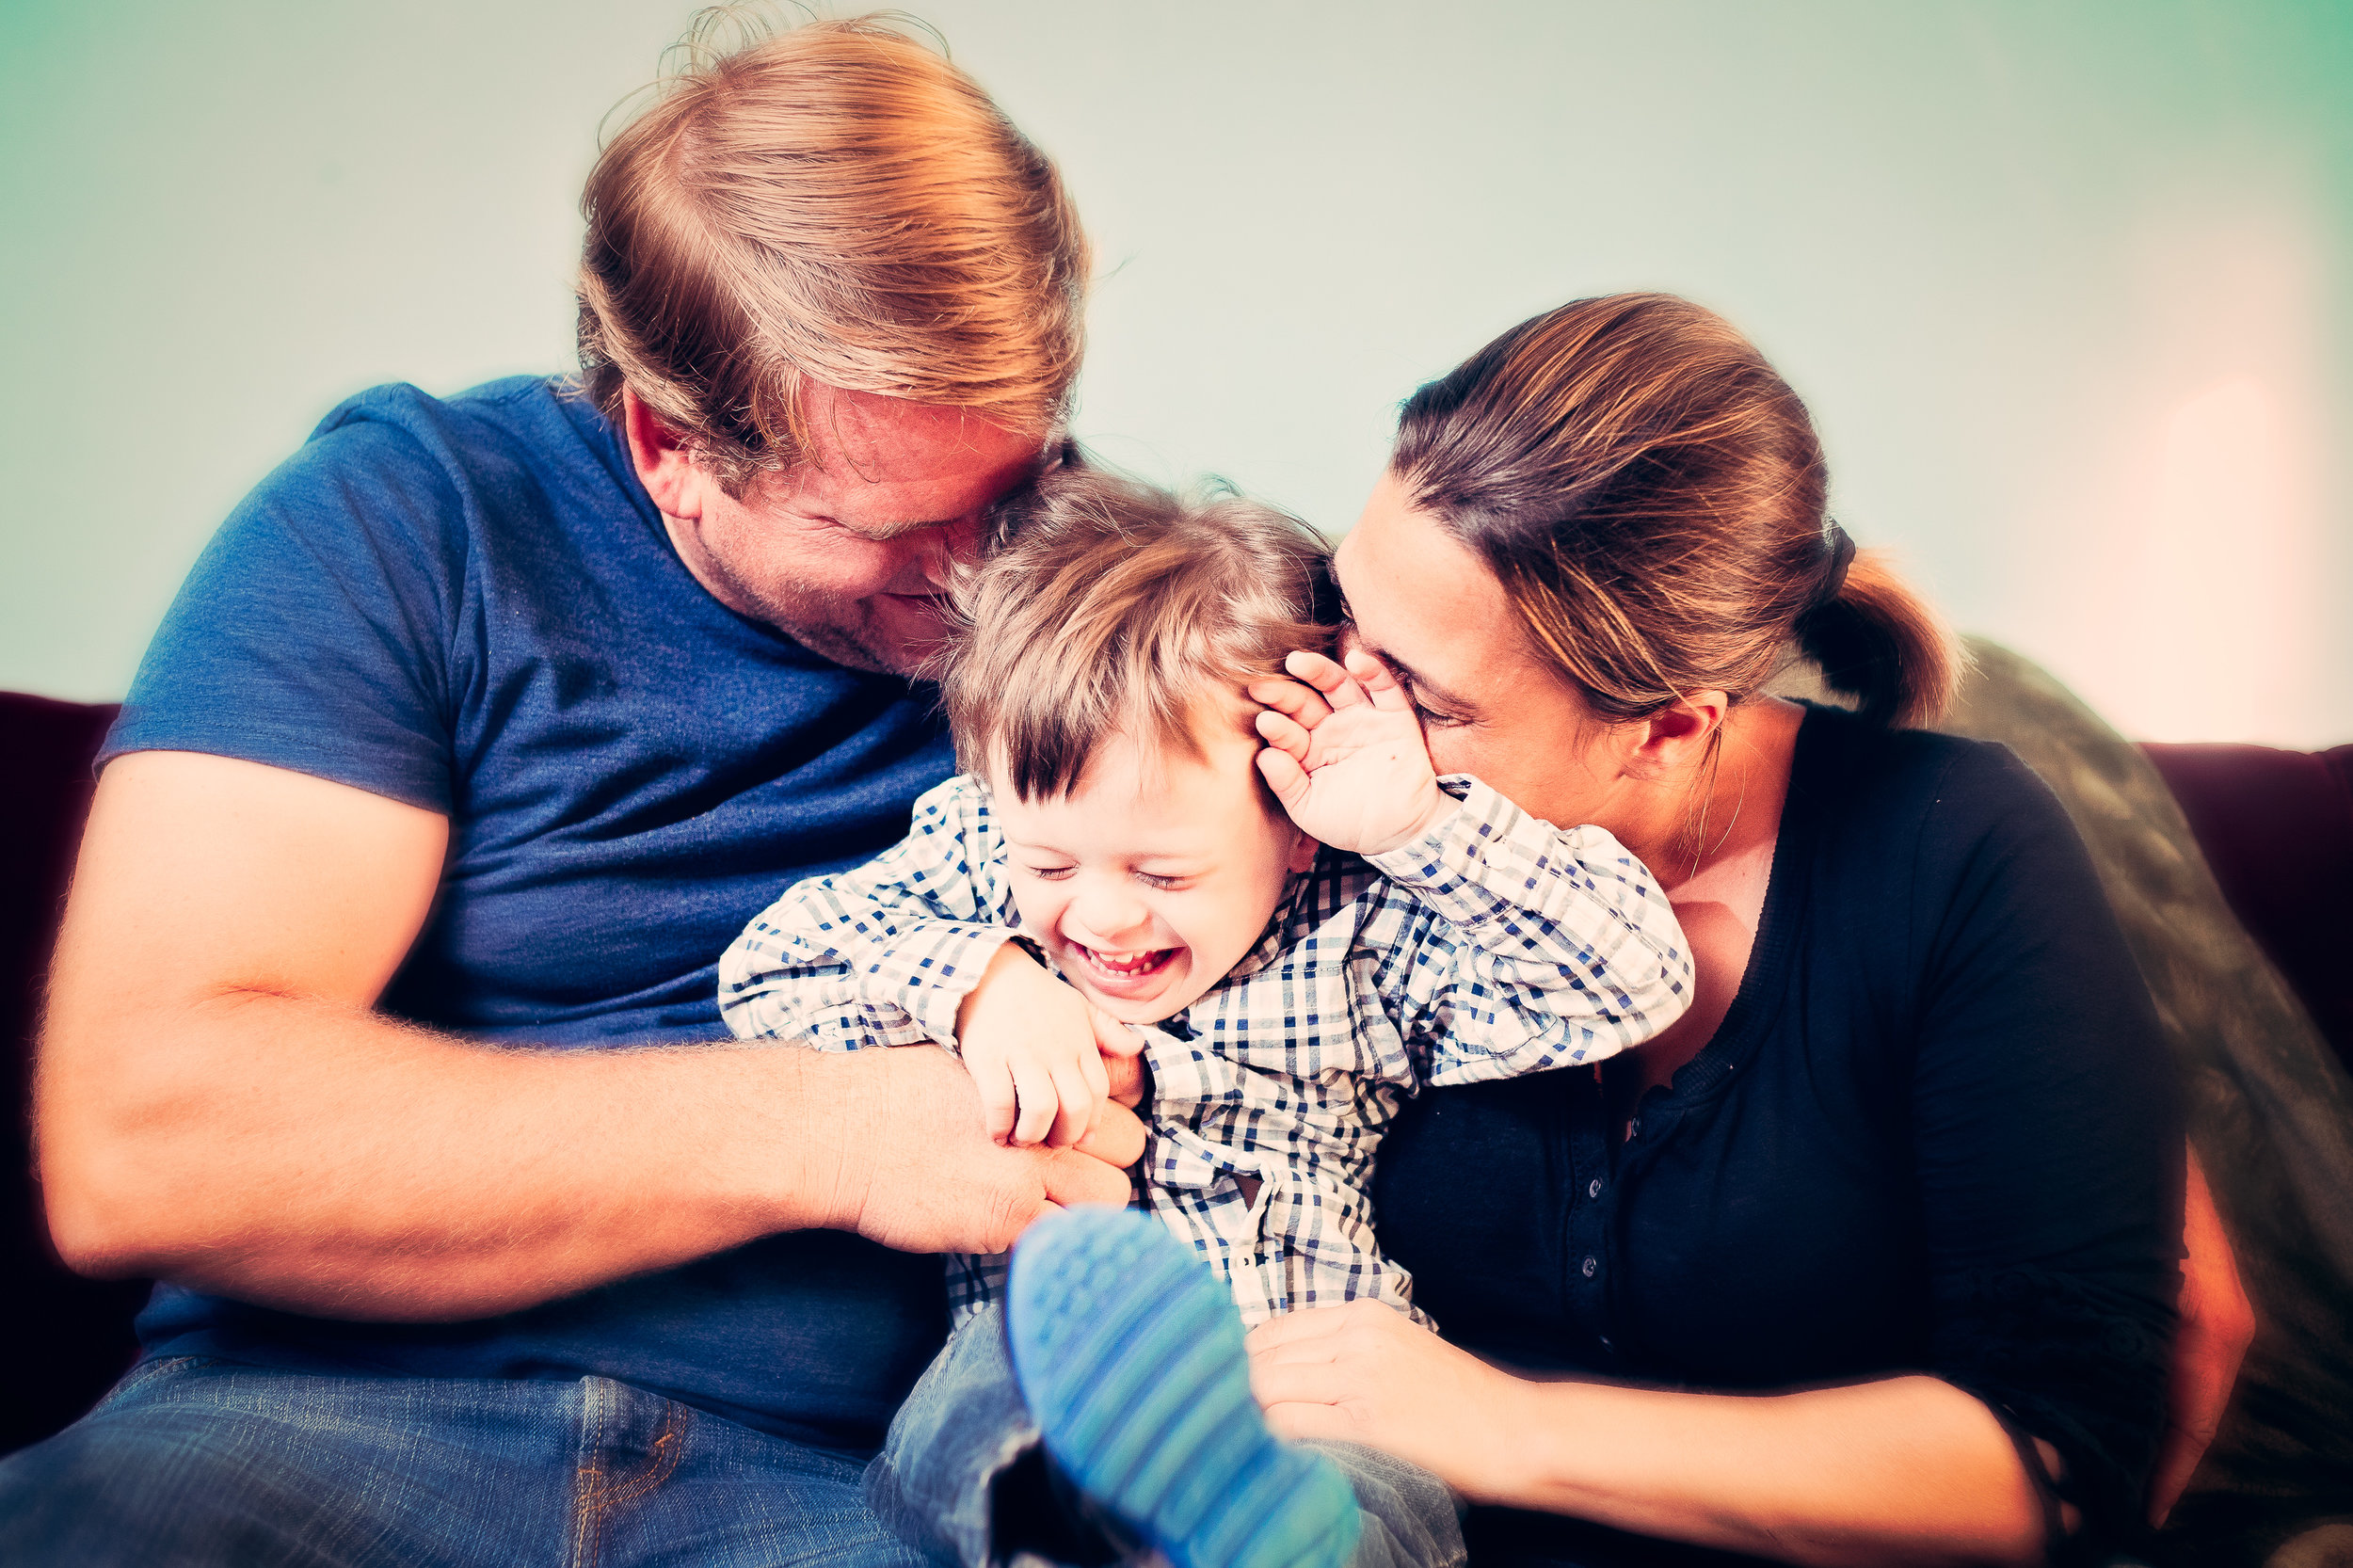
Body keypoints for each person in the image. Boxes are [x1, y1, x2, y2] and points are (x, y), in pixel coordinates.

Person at [1, 17, 1142, 1566]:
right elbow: (146, 1142)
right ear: (668, 441)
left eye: (1012, 488)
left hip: (839, 1488)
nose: (977, 587)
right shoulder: (407, 524)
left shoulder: (1115, 592)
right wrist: (840, 1131)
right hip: (301, 1425)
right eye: (889, 525)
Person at [1236, 292, 2193, 1567]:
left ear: (1669, 728)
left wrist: (1510, 1424)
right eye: (1348, 613)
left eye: (1428, 699)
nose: (1341, 699)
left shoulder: (1953, 851)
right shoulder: (1313, 805)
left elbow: (2060, 1454)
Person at [717, 469, 1695, 1568]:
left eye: (1164, 872)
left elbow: (1625, 982)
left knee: (1373, 1495)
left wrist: (1418, 826)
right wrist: (977, 979)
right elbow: (769, 971)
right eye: (1051, 860)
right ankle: (1078, 1522)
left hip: (1307, 1399)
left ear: (1298, 825)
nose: (1097, 910)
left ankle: (1238, 1536)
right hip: (1050, 1382)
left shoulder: (1361, 930)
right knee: (977, 1405)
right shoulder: (983, 871)